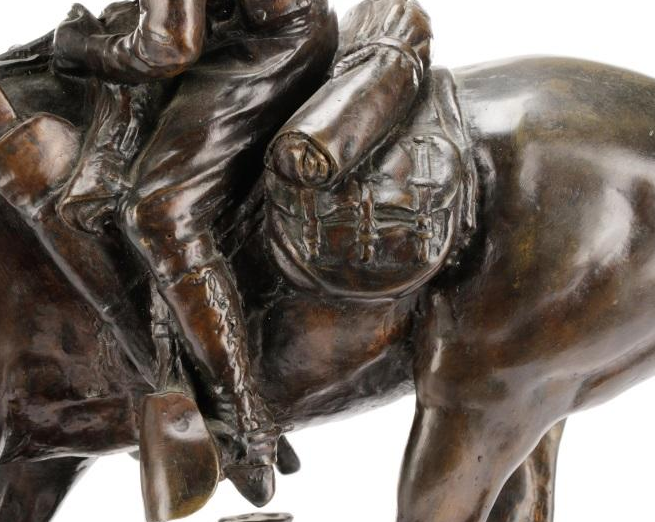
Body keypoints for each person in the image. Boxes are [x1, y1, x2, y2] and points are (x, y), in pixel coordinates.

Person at [51, 0, 431, 506]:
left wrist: (82, 46)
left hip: (268, 49)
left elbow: (167, 46)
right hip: (238, 31)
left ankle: (244, 417)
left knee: (159, 214)